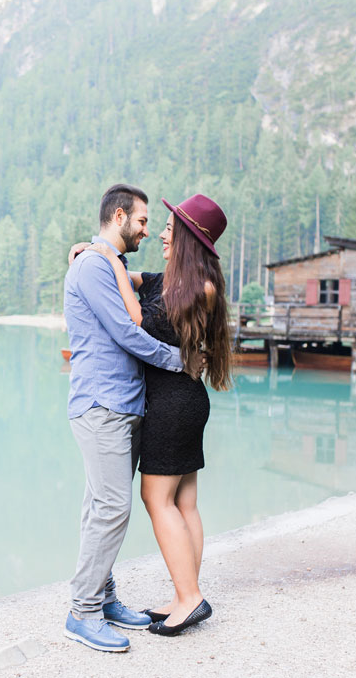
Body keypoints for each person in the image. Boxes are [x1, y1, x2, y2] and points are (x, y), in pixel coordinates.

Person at [85, 193, 232, 637]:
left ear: (188, 237)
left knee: (156, 498)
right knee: (185, 501)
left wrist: (104, 256)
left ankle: (189, 598)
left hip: (172, 405)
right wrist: (93, 254)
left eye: (170, 228)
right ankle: (185, 592)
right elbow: (133, 278)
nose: (162, 235)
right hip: (187, 401)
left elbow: (134, 319)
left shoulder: (193, 289)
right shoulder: (181, 280)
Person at [61, 183, 187, 653]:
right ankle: (83, 612)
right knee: (112, 508)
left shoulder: (111, 264)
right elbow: (125, 333)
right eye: (142, 221)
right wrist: (177, 360)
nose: (146, 231)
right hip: (102, 406)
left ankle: (104, 598)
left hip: (123, 405)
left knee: (101, 506)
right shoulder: (93, 266)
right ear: (119, 216)